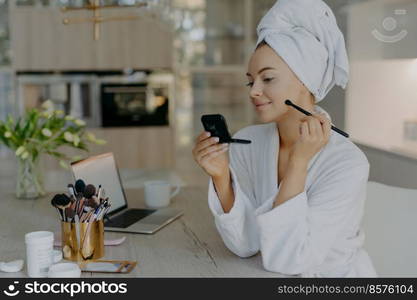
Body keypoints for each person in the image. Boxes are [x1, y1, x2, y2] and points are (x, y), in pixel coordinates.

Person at [192, 0, 376, 277]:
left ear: (306, 80)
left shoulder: (347, 163)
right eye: (250, 80)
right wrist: (221, 178)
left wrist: (299, 163)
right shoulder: (249, 142)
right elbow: (245, 245)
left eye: (267, 79)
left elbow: (292, 261)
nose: (254, 91)